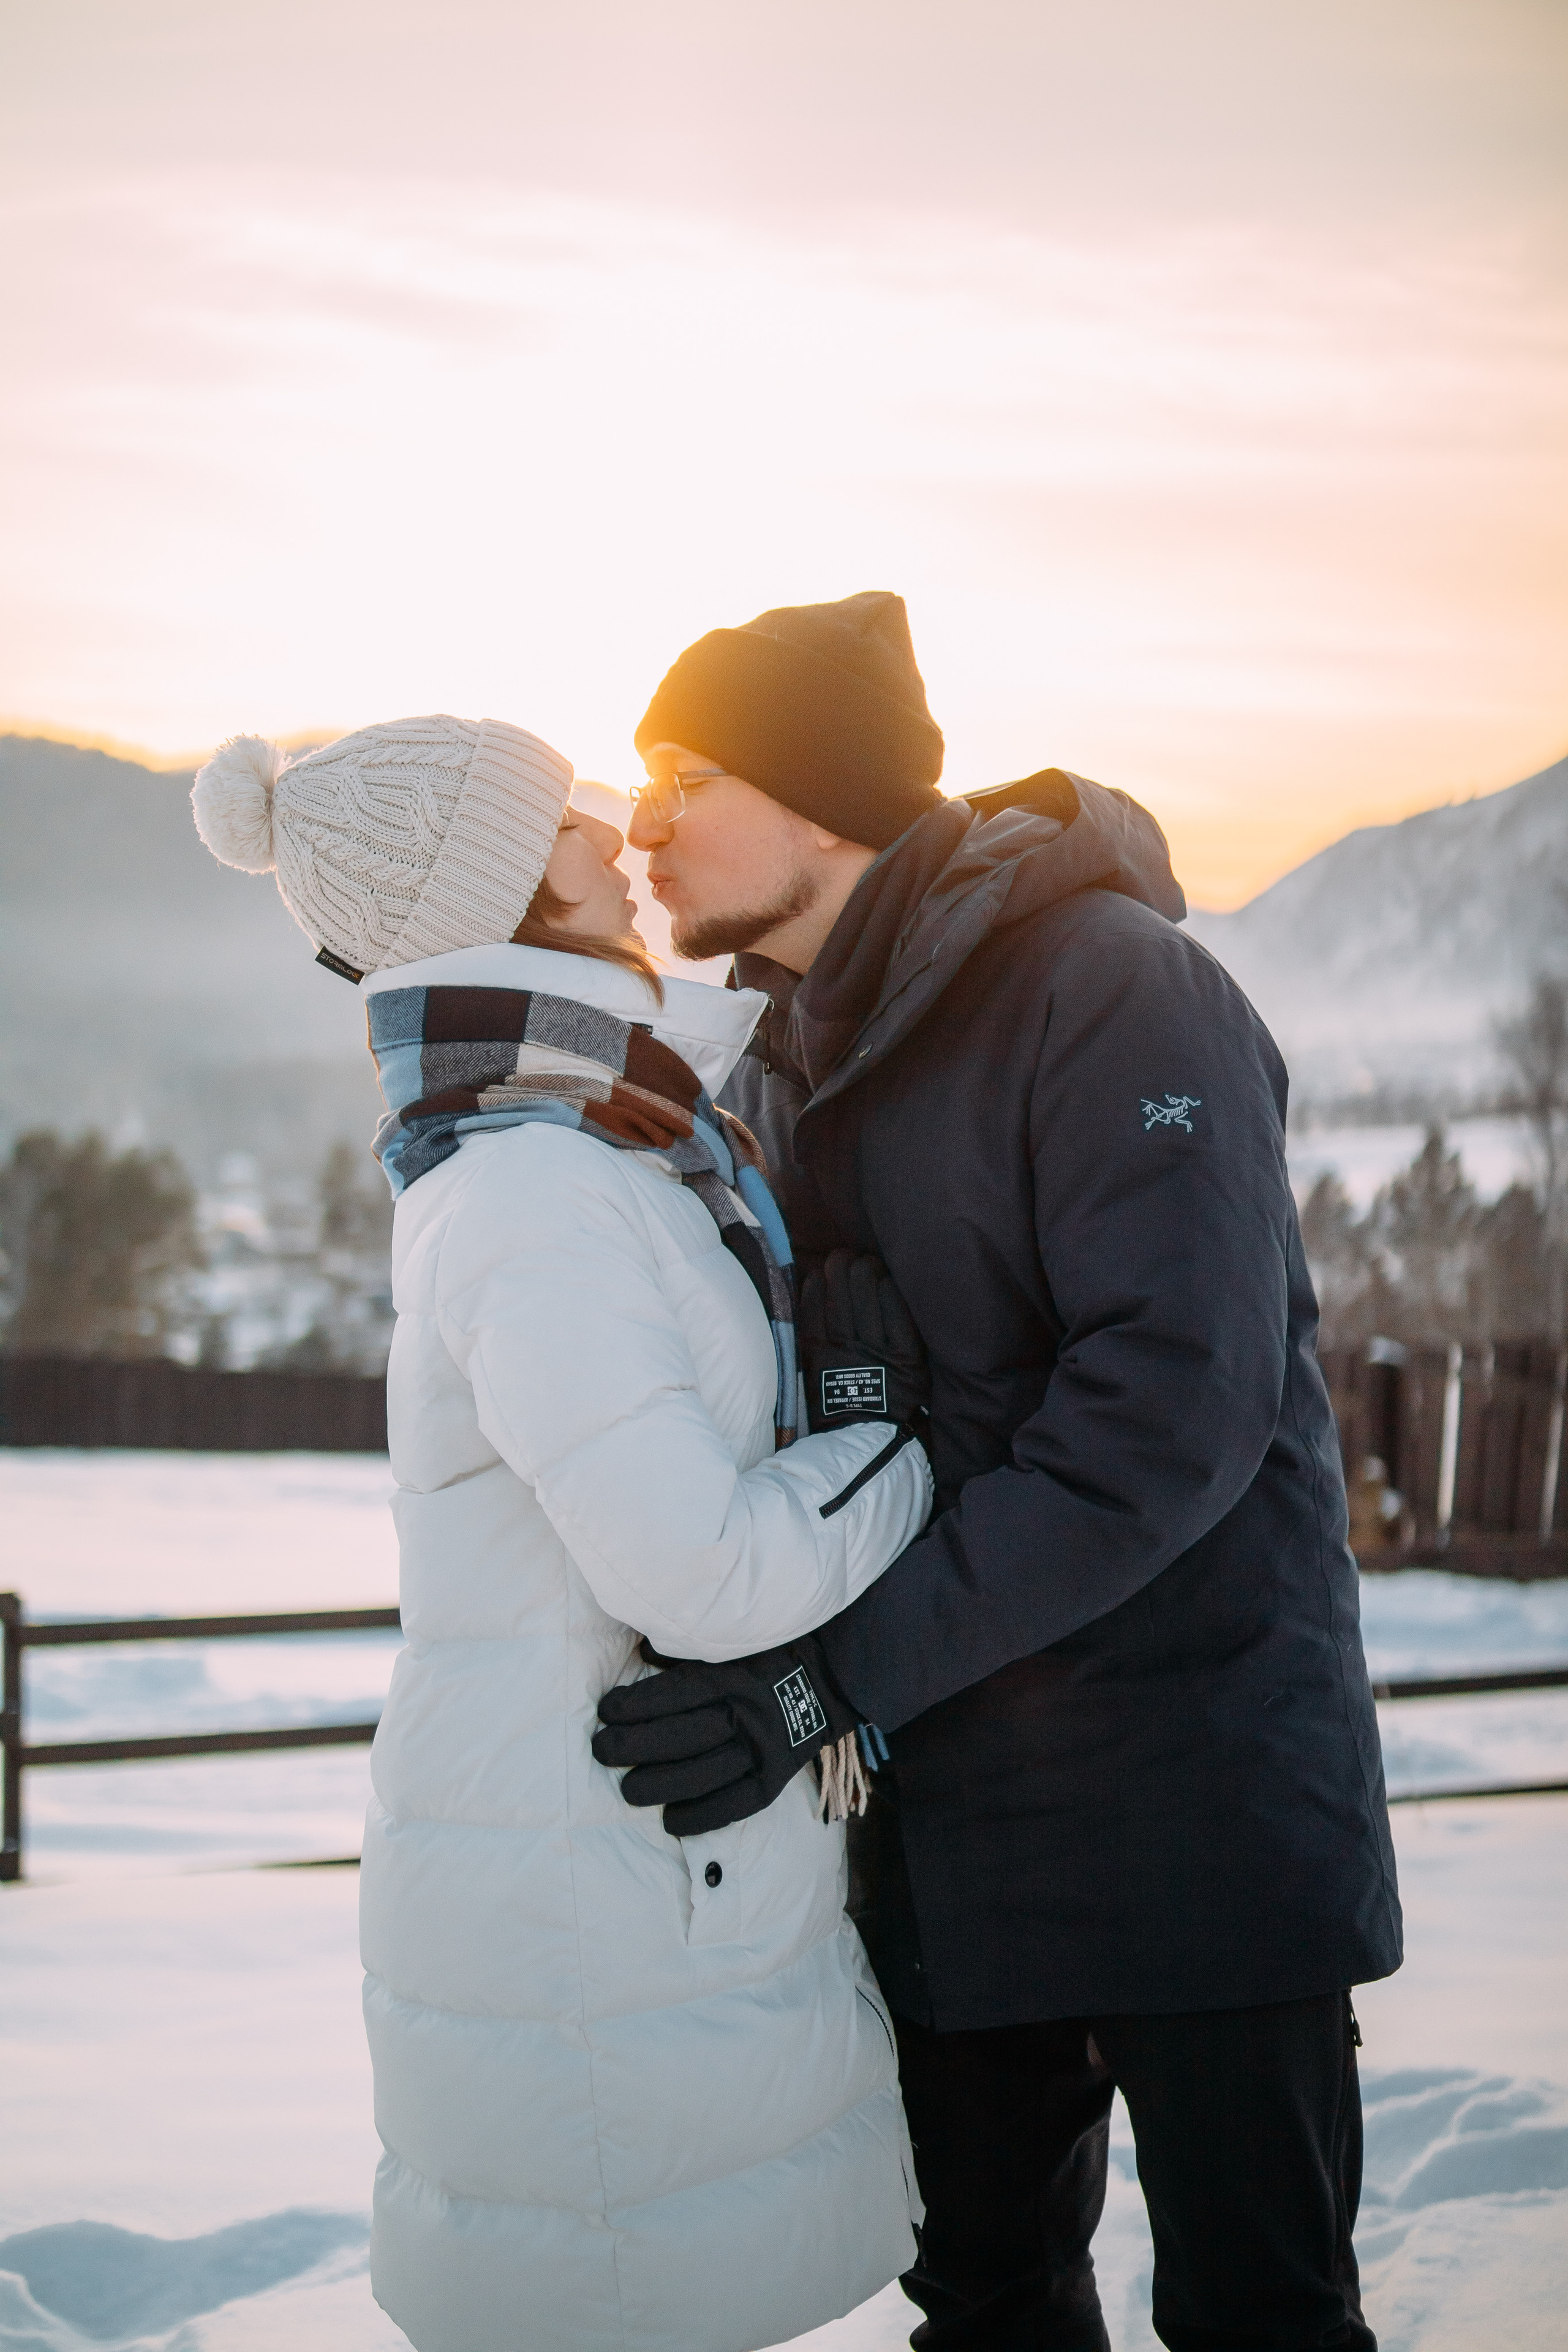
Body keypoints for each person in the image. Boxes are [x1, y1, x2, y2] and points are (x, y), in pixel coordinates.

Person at [595, 594, 1404, 2352]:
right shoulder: (786, 1062)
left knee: (1263, 2314)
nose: (642, 822)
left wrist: (827, 1681)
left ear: (821, 799)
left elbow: (1160, 1421)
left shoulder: (1117, 992)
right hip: (954, 1825)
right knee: (987, 2307)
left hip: (1200, 1813)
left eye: (687, 777)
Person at [189, 711, 935, 2352]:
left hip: (622, 1875)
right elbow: (705, 1569)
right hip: (581, 1909)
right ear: (499, 893)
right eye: (569, 822)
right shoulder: (535, 1193)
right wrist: (915, 1452)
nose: (618, 835)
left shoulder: (608, 1145)